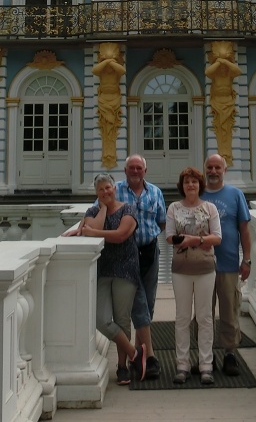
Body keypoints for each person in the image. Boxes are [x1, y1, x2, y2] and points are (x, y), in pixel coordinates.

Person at [75, 173, 141, 386]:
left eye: (108, 188)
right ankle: (134, 353)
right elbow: (92, 228)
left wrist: (93, 232)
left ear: (115, 188)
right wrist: (102, 209)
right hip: (103, 270)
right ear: (96, 193)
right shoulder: (93, 211)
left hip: (126, 269)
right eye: (101, 189)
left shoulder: (128, 209)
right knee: (101, 319)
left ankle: (122, 367)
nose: (106, 192)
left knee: (122, 319)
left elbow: (121, 234)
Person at [165, 166, 221, 385]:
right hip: (181, 269)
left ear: (200, 185)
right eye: (187, 182)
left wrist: (192, 240)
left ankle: (206, 364)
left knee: (205, 317)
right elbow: (170, 236)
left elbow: (217, 237)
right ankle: (183, 364)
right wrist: (194, 239)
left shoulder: (210, 208)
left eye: (194, 182)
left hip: (205, 268)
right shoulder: (174, 208)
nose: (191, 185)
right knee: (182, 317)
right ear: (182, 186)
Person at [115, 154, 165, 381]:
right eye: (131, 168)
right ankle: (151, 357)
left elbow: (162, 221)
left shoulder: (155, 192)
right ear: (125, 171)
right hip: (127, 254)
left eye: (139, 168)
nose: (135, 171)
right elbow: (97, 211)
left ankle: (138, 356)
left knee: (149, 303)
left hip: (150, 252)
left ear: (145, 171)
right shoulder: (114, 190)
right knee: (140, 302)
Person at [201, 153, 251, 377]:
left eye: (217, 168)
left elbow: (244, 229)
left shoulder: (235, 194)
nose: (213, 172)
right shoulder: (197, 194)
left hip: (229, 263)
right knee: (204, 312)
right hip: (201, 265)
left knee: (229, 311)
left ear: (224, 170)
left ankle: (230, 353)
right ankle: (205, 354)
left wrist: (246, 258)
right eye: (209, 167)